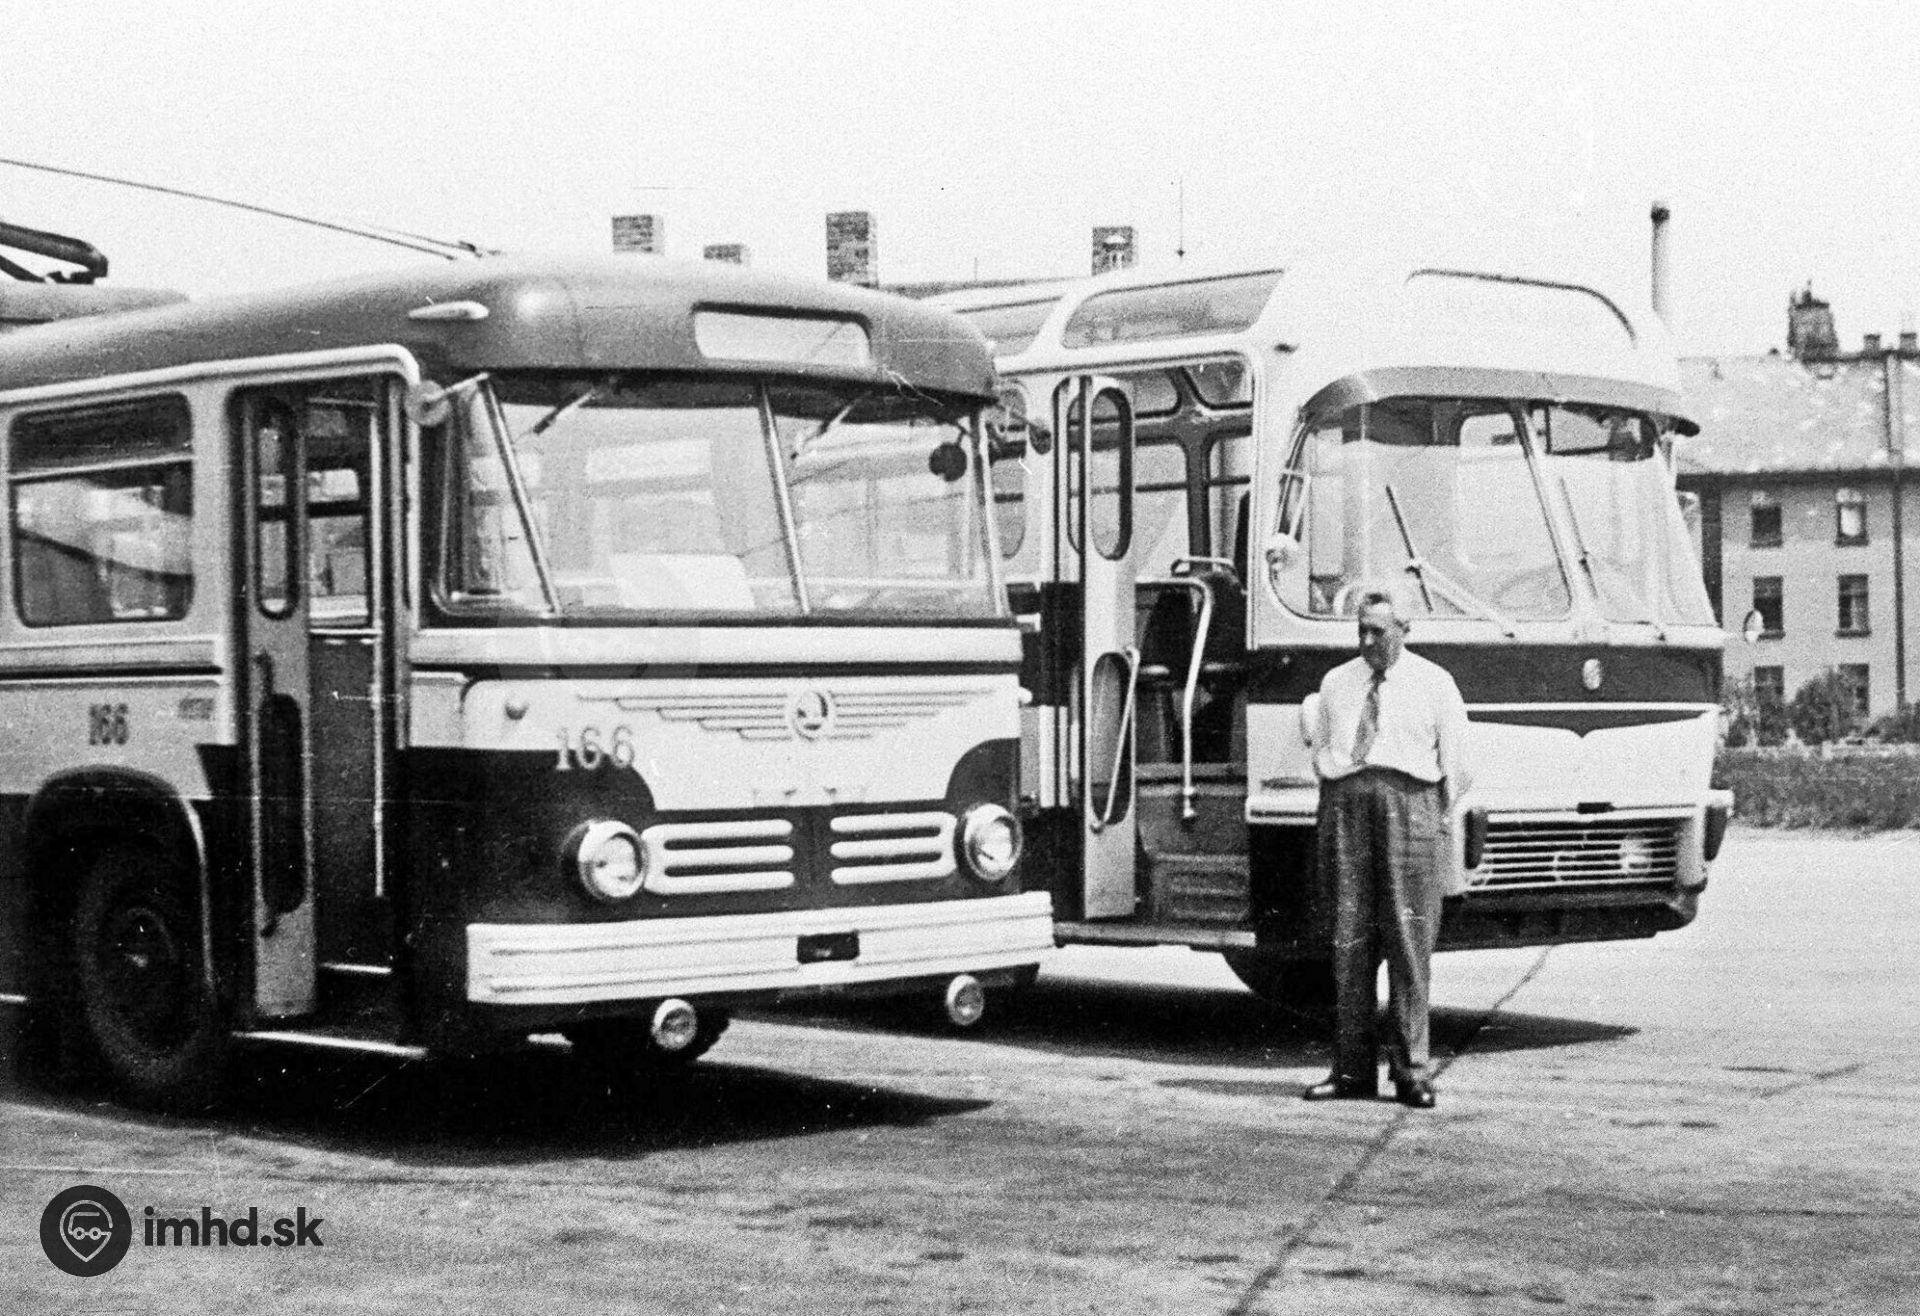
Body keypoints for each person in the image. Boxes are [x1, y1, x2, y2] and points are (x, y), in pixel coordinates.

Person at [1301, 583, 1470, 1109]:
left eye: (1378, 631)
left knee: (1408, 941)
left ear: (1404, 630)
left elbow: (1458, 763)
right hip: (1346, 808)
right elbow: (1324, 749)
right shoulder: (1336, 683)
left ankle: (1411, 1072)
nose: (1367, 641)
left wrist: (1436, 817)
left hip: (1411, 810)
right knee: (1348, 939)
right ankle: (1350, 1071)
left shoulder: (1435, 683)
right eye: (1361, 631)